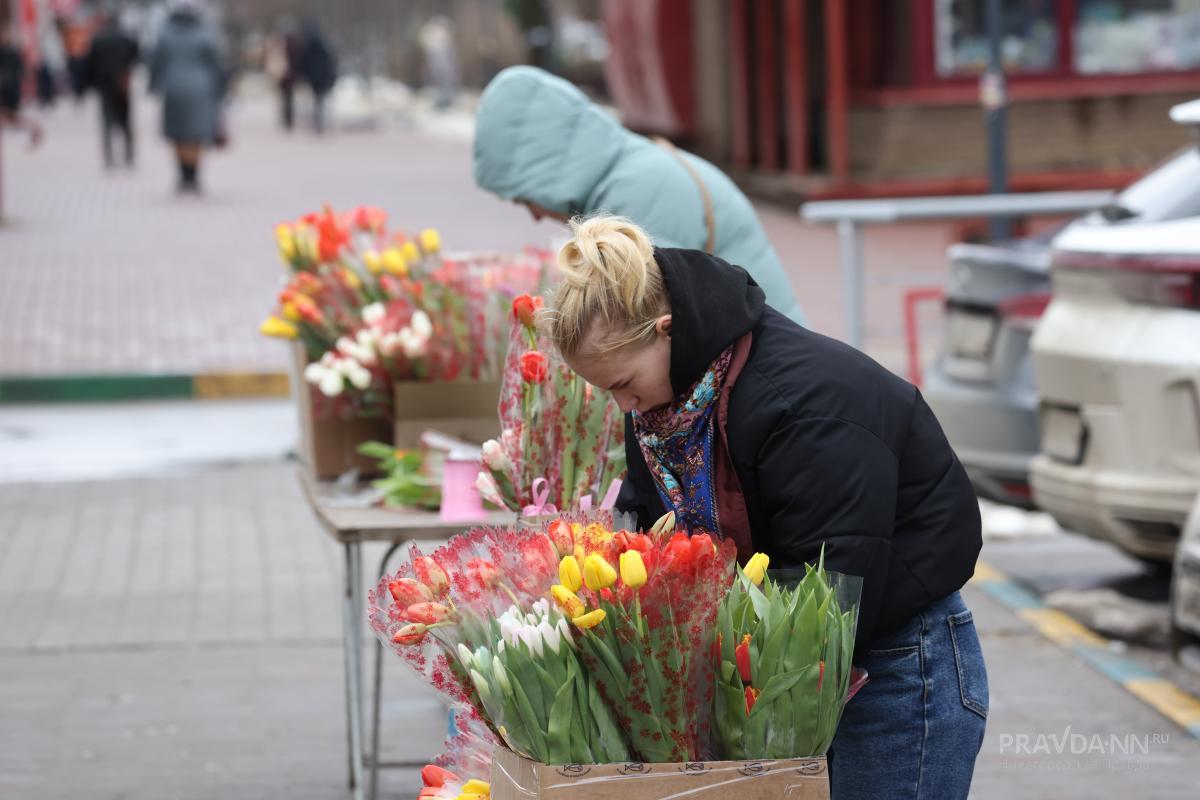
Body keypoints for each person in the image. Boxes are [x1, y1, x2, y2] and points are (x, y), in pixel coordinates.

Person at [542, 215, 987, 800]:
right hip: (777, 666)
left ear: (667, 330)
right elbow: (651, 523)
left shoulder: (805, 403)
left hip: (894, 669)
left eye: (623, 382)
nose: (622, 404)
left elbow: (832, 584)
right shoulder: (665, 408)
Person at [473, 65, 806, 326]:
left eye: (524, 198)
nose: (534, 215)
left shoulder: (635, 196)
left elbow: (637, 333)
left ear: (543, 171)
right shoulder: (631, 172)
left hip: (769, 382)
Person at [148, 0, 225, 193]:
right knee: (196, 134)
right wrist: (222, 88)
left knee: (177, 133)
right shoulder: (206, 31)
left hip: (173, 87)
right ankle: (193, 175)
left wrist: (154, 85)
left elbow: (156, 60)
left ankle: (183, 175)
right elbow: (216, 63)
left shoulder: (165, 31)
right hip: (202, 88)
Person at [83, 11, 139, 168]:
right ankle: (129, 155)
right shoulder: (127, 38)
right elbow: (136, 57)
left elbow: (89, 64)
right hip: (122, 84)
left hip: (104, 85)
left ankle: (109, 157)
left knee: (106, 121)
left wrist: (88, 85)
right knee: (126, 122)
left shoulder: (97, 39)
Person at [0, 21, 43, 148]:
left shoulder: (12, 52)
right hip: (10, 88)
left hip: (10, 88)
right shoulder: (11, 52)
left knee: (11, 114)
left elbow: (20, 70)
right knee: (10, 115)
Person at [295, 20, 335, 134]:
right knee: (319, 100)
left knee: (317, 100)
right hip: (320, 78)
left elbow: (302, 61)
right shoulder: (322, 46)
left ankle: (318, 121)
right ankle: (318, 121)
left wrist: (302, 74)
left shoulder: (309, 46)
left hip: (316, 78)